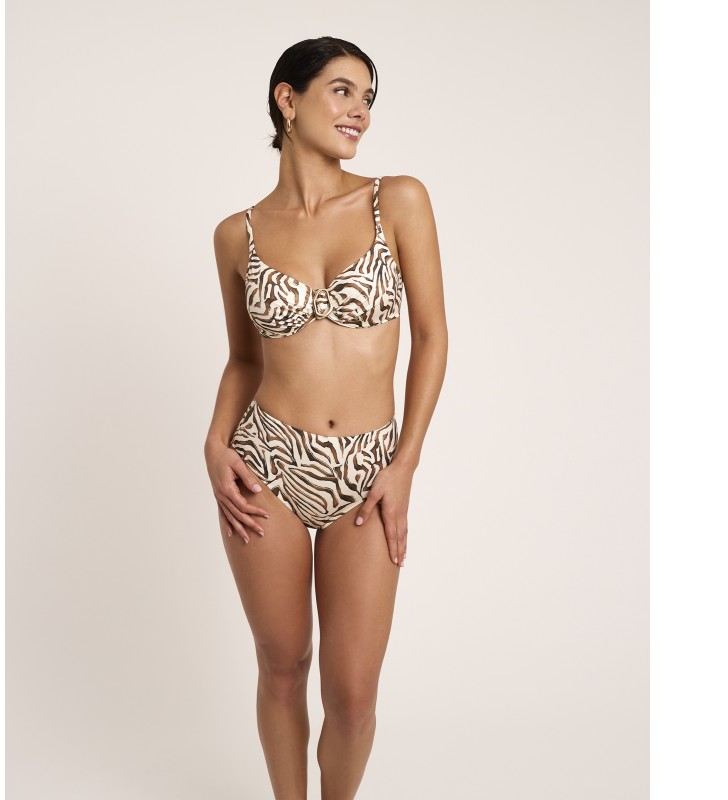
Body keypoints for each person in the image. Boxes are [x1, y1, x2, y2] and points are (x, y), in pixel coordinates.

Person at [204, 36, 448, 800]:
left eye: (368, 98)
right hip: (266, 463)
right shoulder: (237, 234)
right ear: (289, 98)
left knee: (352, 697)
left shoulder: (397, 200)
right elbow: (244, 360)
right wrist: (213, 443)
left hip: (369, 472)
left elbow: (433, 337)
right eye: (343, 91)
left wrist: (405, 464)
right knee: (281, 667)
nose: (360, 112)